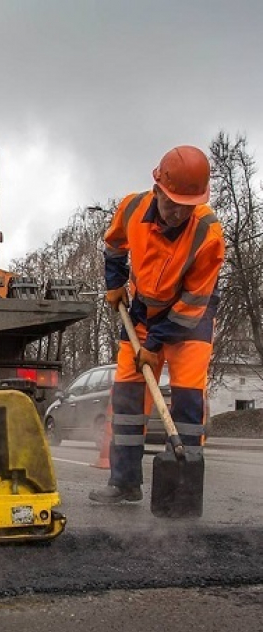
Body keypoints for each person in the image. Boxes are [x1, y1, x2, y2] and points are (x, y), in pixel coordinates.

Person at [89, 145, 225, 504]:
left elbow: (193, 303)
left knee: (187, 398)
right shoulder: (133, 207)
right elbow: (115, 243)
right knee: (128, 394)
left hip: (190, 318)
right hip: (142, 312)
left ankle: (181, 490)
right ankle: (124, 482)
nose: (178, 212)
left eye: (187, 205)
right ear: (158, 190)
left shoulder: (208, 235)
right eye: (172, 203)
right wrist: (115, 283)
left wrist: (154, 345)